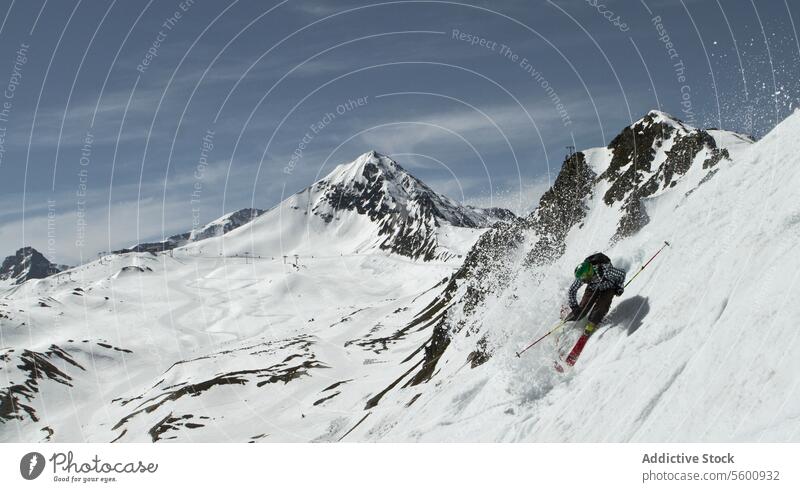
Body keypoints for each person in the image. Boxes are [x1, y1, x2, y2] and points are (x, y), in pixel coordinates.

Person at [564, 253, 626, 336]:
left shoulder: (606, 271)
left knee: (602, 305)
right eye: (582, 279)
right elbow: (572, 290)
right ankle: (567, 322)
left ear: (589, 274)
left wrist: (619, 287)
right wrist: (574, 306)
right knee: (581, 309)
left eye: (584, 279)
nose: (583, 281)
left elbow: (621, 274)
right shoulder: (583, 275)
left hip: (608, 287)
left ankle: (592, 323)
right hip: (593, 287)